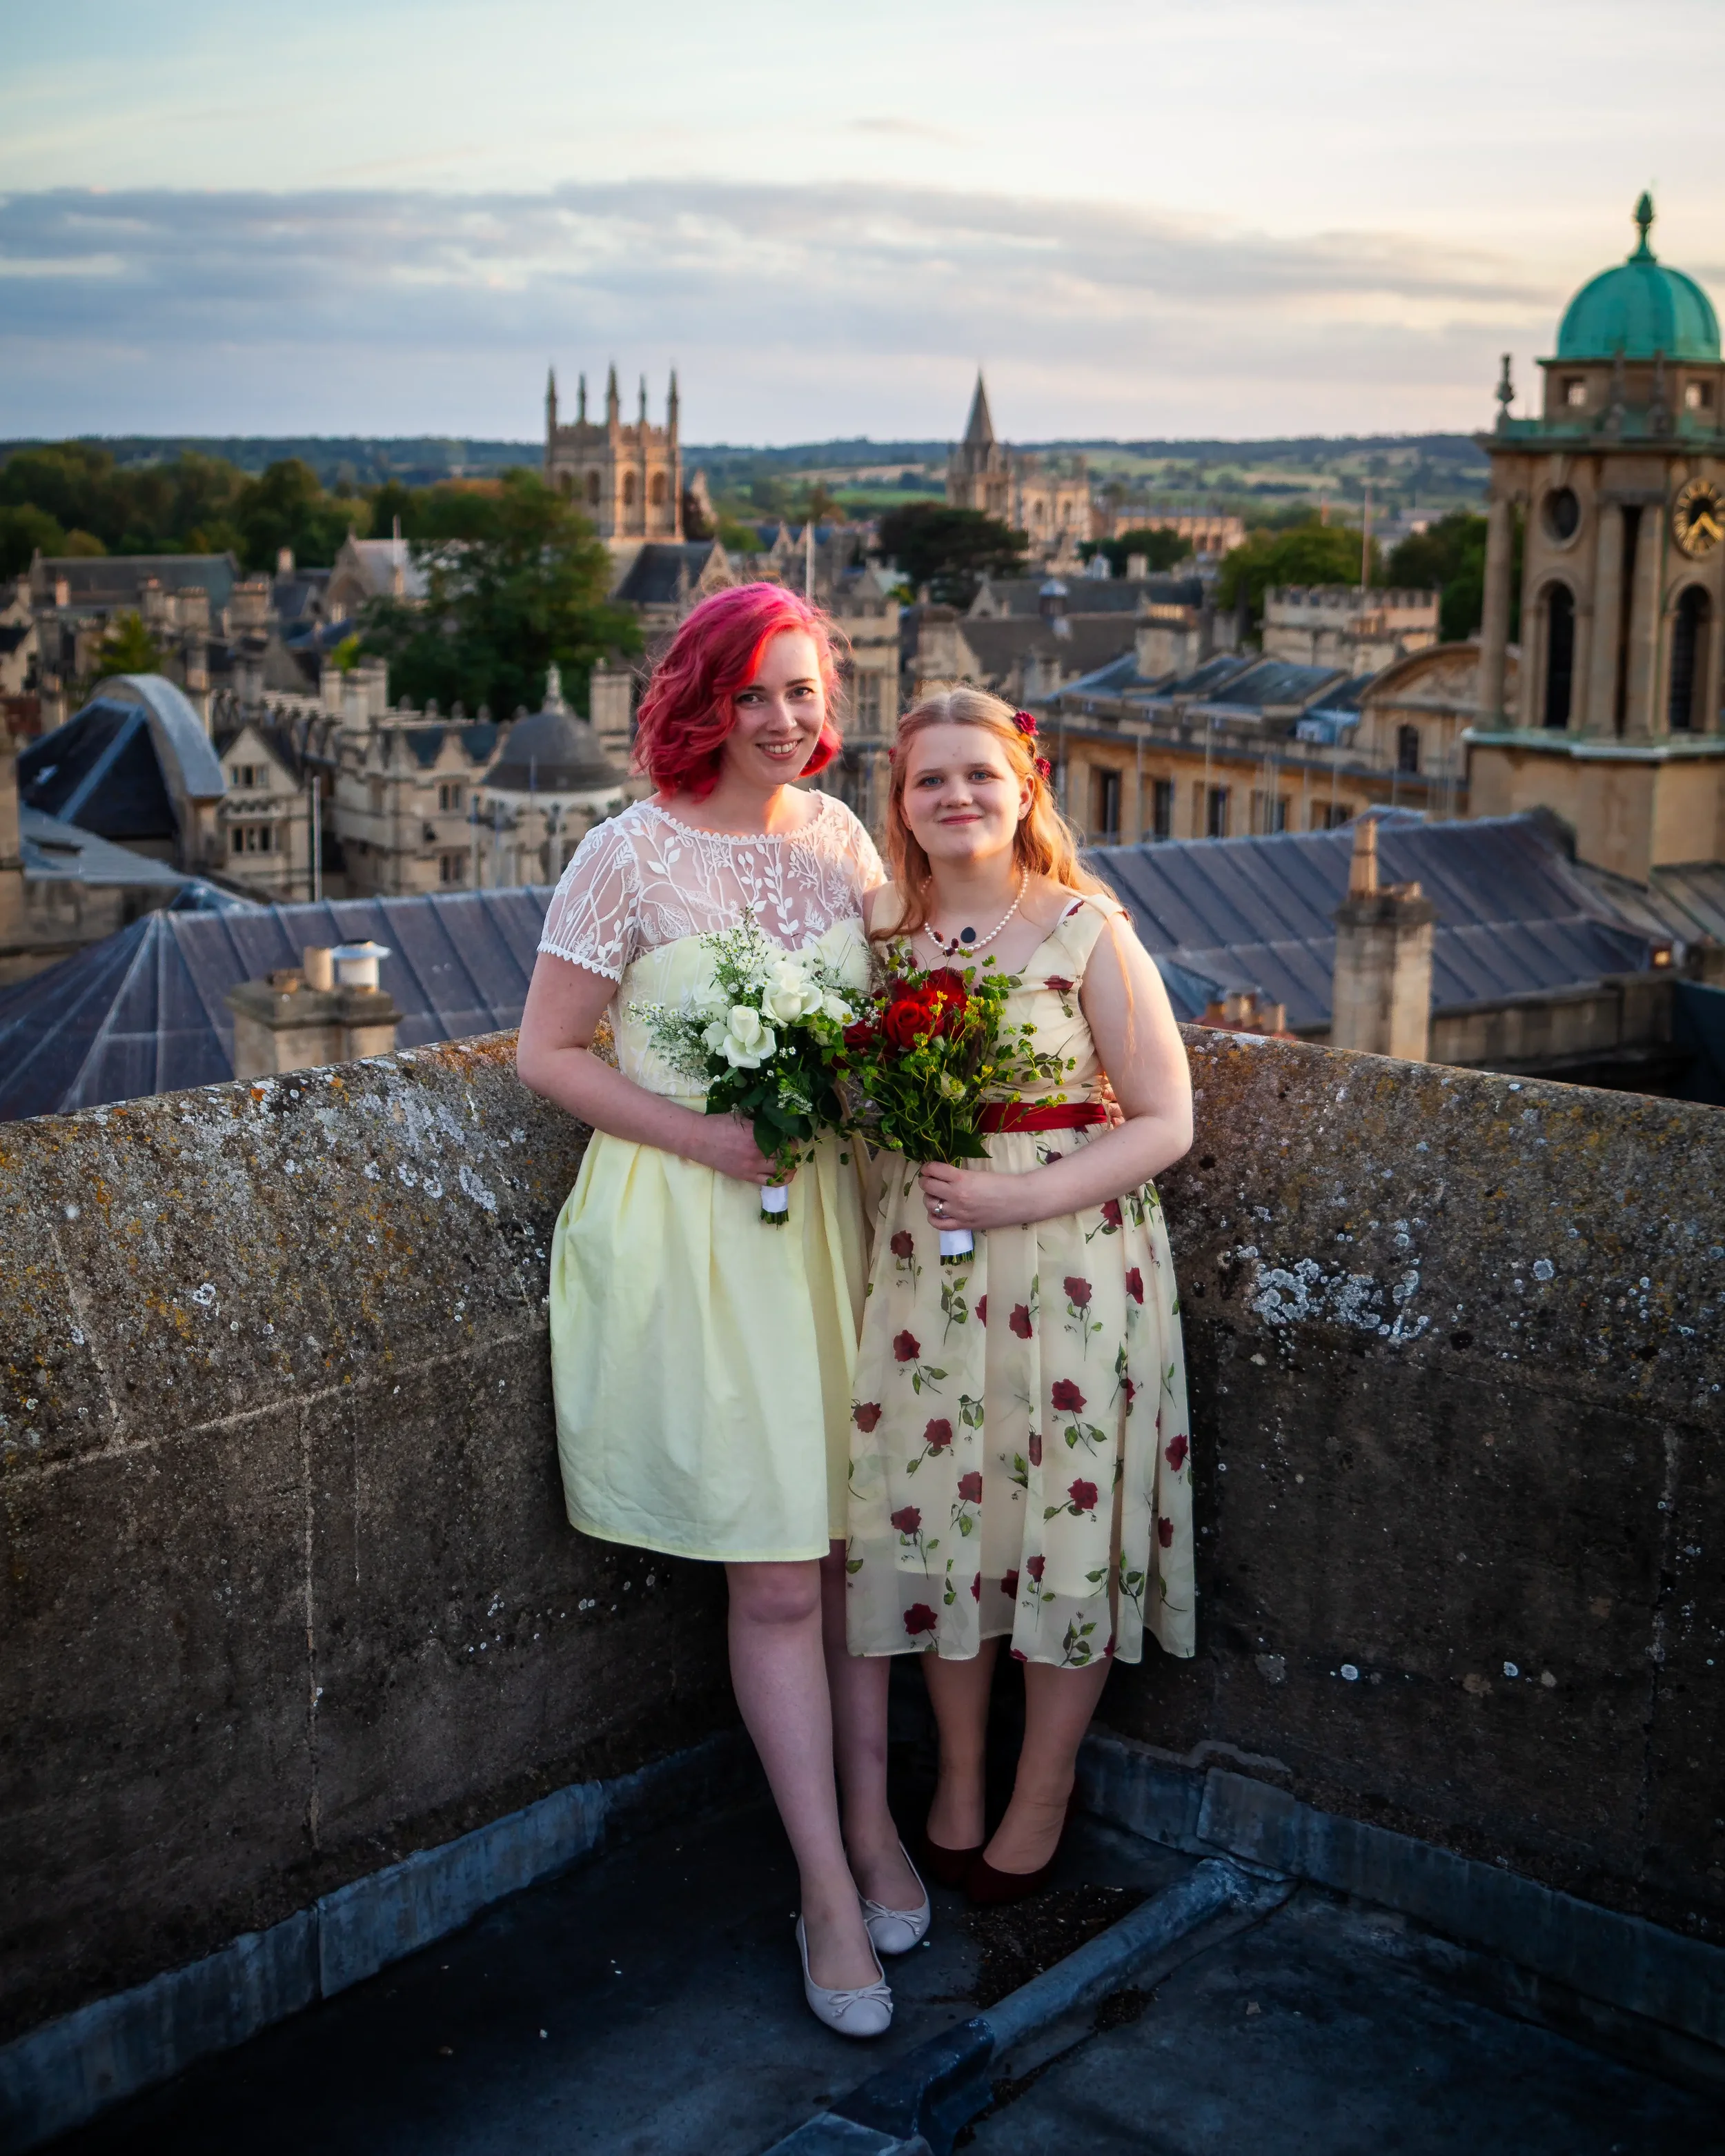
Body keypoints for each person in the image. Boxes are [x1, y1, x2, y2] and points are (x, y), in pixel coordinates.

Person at [516, 584, 925, 2036]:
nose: (782, 718)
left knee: (839, 1554)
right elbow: (546, 1052)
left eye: (804, 691)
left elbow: (899, 1011)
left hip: (823, 1223)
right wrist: (705, 1135)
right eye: (753, 690)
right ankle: (826, 1886)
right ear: (699, 695)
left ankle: (874, 1825)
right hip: (692, 1226)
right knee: (767, 1572)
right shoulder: (623, 854)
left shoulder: (840, 841)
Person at [845, 686, 1195, 1903]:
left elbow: (1166, 1121)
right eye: (930, 778)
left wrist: (1016, 1201)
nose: (956, 797)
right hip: (924, 1272)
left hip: (1074, 1267)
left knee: (1060, 1523)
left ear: (1026, 789)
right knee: (949, 1519)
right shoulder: (879, 931)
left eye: (980, 776)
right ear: (900, 803)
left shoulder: (1086, 926)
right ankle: (956, 1776)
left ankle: (1040, 1793)